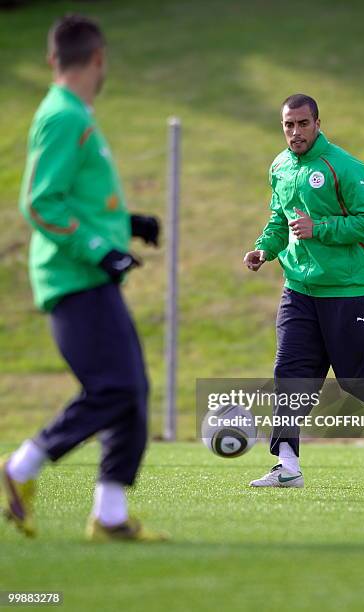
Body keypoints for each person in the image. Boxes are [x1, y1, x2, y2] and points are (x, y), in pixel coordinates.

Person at [0, 14, 167, 542]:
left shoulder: (71, 113)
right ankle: (20, 466)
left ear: (53, 59)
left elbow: (73, 197)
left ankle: (111, 516)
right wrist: (100, 249)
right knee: (116, 387)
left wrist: (126, 225)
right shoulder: (65, 116)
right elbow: (40, 202)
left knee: (131, 391)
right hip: (73, 278)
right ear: (98, 59)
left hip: (84, 275)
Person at [244, 94, 364, 488]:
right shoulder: (279, 167)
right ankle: (287, 465)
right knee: (290, 374)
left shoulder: (344, 167)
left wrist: (322, 229)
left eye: (302, 124)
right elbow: (280, 219)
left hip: (346, 291)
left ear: (317, 123)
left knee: (356, 376)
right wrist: (266, 249)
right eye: (288, 125)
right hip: (298, 290)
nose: (295, 132)